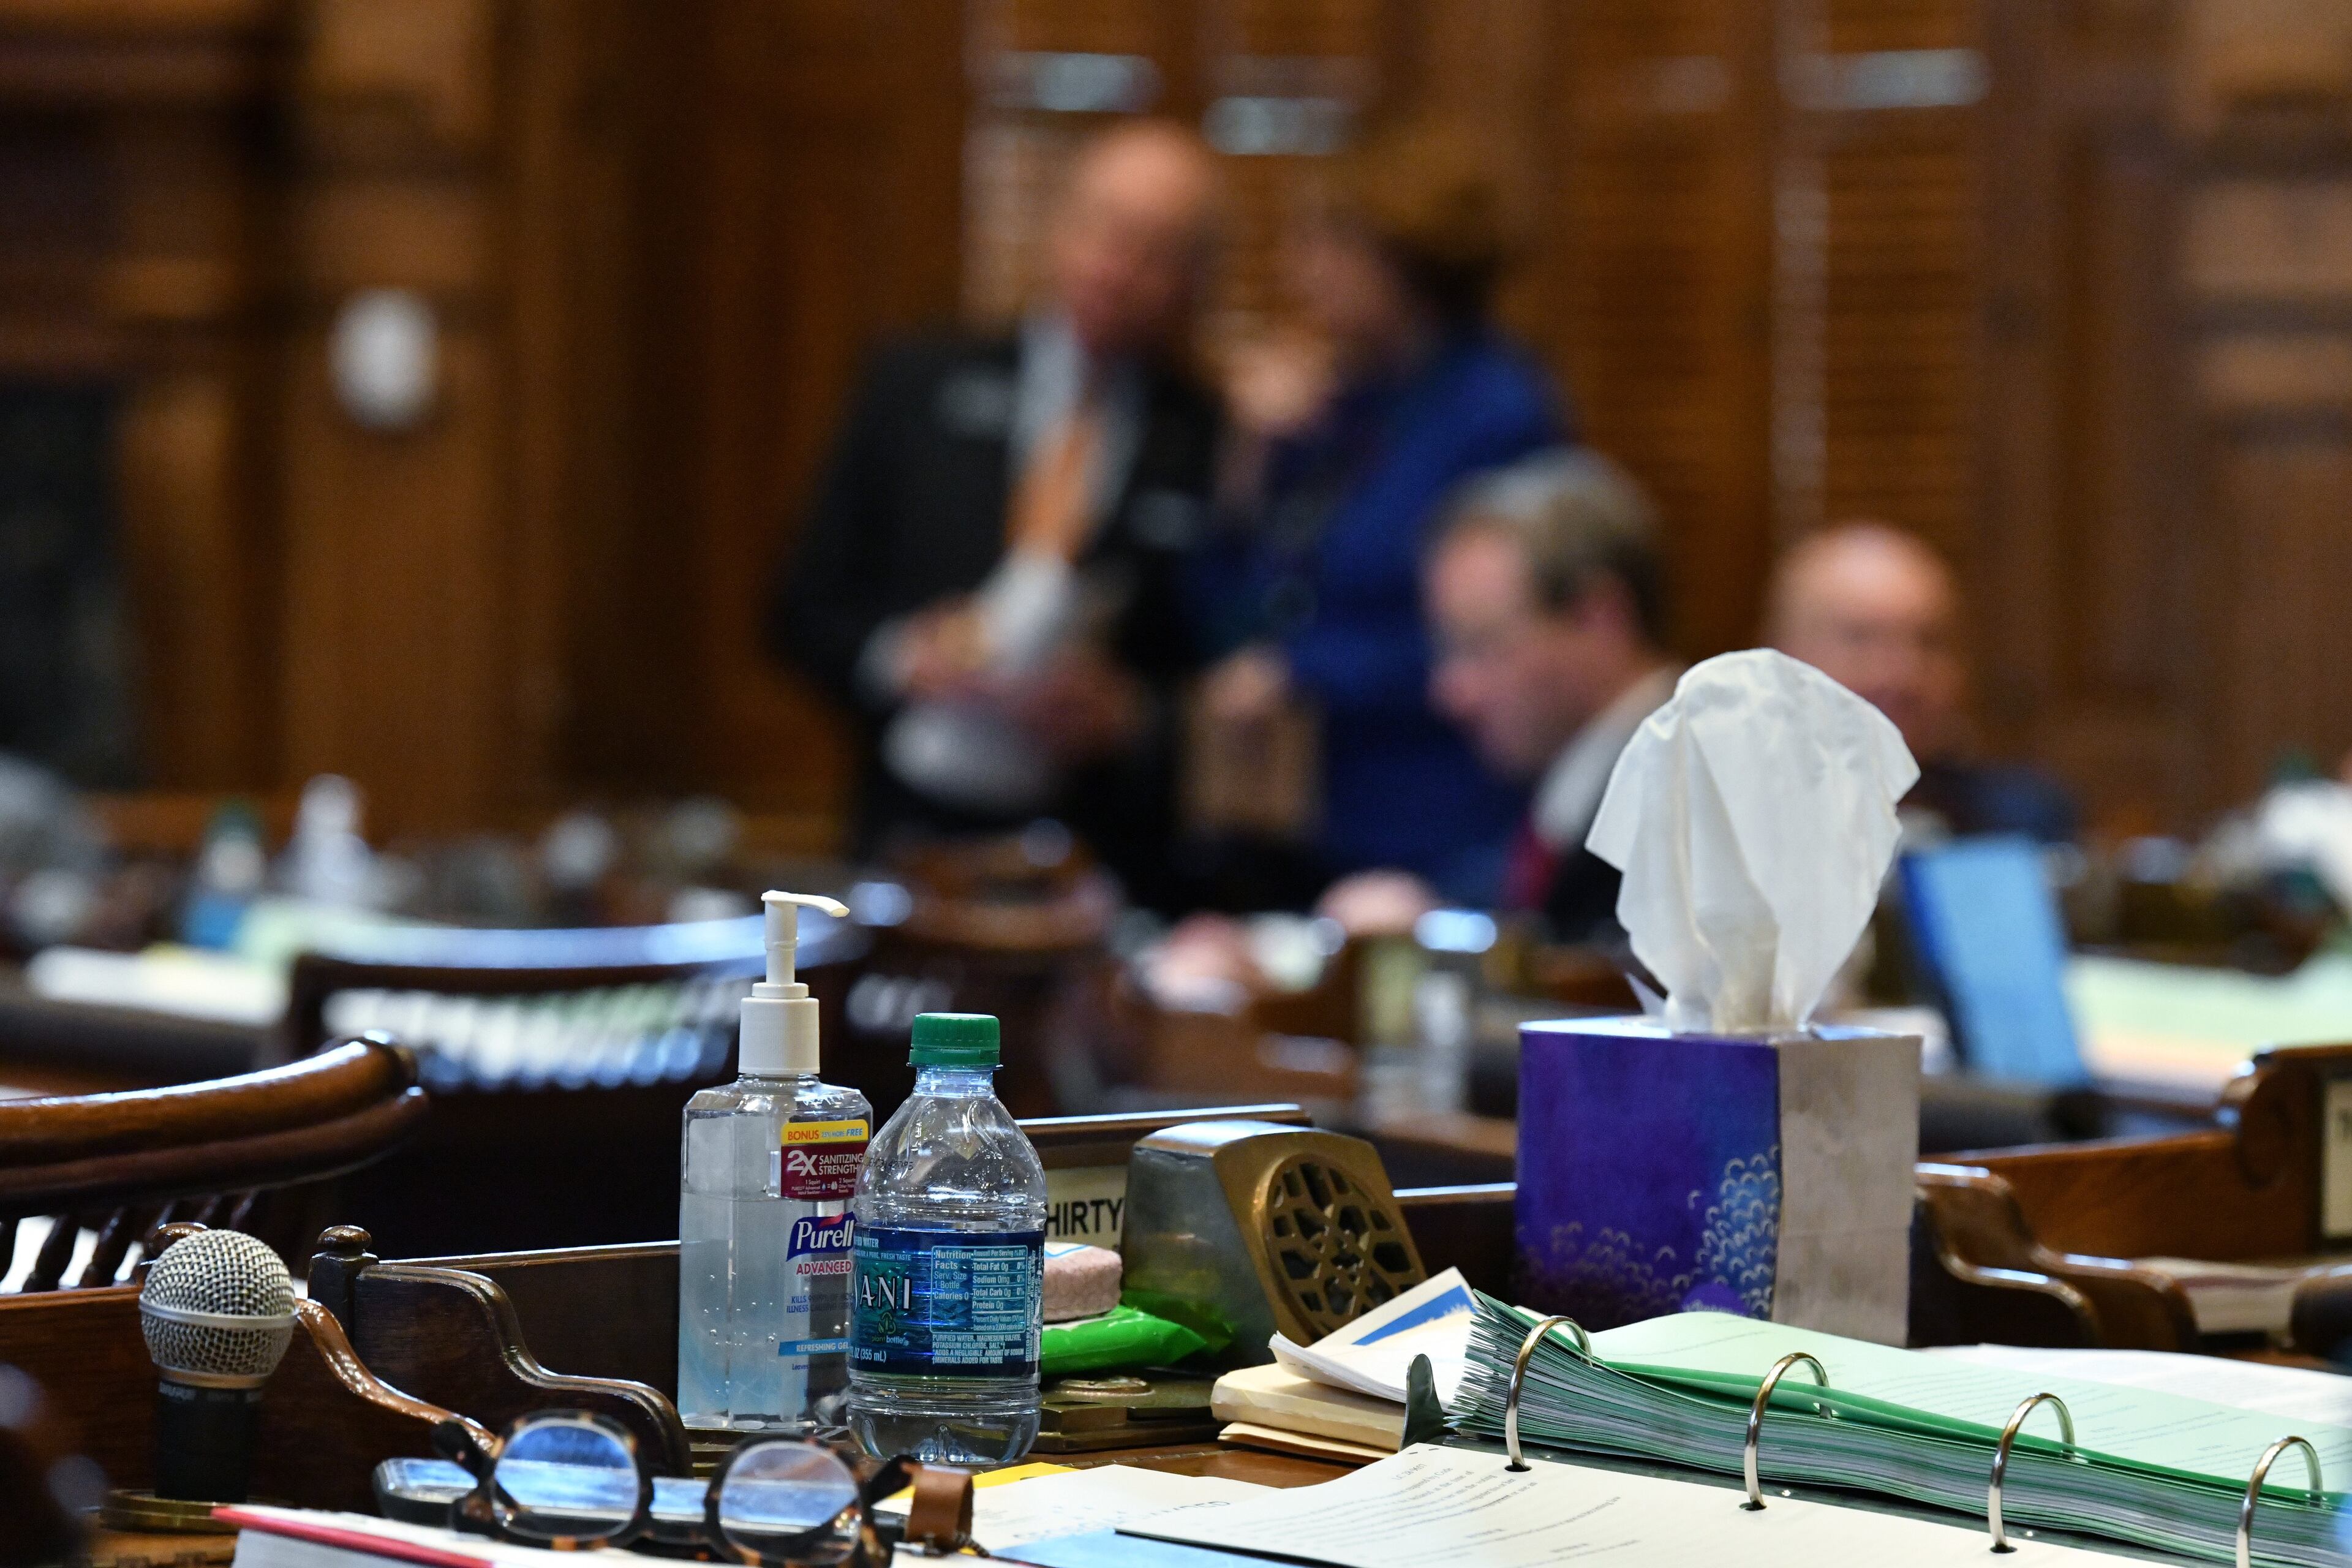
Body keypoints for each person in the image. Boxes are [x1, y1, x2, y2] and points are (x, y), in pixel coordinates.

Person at [769, 122, 1223, 910]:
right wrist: (904, 658)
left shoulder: (1211, 436)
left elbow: (1226, 662)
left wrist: (1131, 715)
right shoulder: (918, 384)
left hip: (1101, 862)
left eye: (1157, 250)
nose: (1119, 267)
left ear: (1194, 280)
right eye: (1105, 229)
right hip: (912, 843)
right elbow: (801, 608)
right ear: (1057, 225)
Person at [1191, 121, 1564, 907]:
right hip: (1302, 811)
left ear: (1402, 261)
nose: (1302, 275)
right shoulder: (1332, 406)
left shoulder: (1496, 414)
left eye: (1330, 245)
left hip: (1441, 816)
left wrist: (1304, 669)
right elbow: (1234, 606)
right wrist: (1247, 459)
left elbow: (1498, 638)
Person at [1321, 451, 1678, 943]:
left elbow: (1608, 977)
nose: (1450, 692)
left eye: (1481, 645)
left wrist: (1434, 940)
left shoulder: (1686, 792)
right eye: (1447, 650)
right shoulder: (1577, 788)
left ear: (1598, 619)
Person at [1767, 522, 2077, 842]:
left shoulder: (2021, 824)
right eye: (1860, 639)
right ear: (1783, 657)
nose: (1900, 672)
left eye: (1929, 642)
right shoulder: (1742, 819)